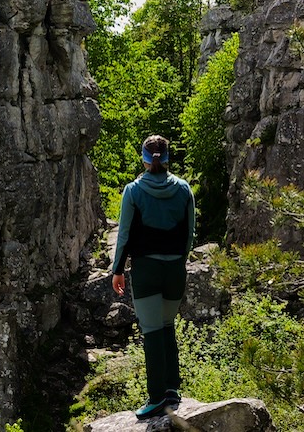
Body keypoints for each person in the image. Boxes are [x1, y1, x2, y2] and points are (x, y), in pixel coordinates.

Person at [111, 135, 194, 418]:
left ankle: (157, 397)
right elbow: (189, 234)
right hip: (175, 270)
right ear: (168, 158)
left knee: (151, 329)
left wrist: (117, 271)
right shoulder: (184, 189)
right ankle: (172, 389)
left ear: (144, 160)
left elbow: (124, 235)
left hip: (146, 269)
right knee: (167, 324)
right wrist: (178, 263)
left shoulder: (133, 191)